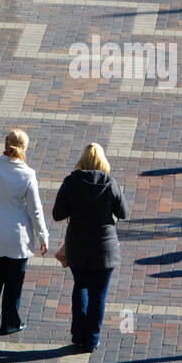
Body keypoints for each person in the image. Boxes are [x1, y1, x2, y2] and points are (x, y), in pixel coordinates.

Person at [52, 142, 129, 352]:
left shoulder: (70, 182)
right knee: (99, 294)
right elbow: (124, 213)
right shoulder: (110, 183)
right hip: (104, 249)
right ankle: (92, 339)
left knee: (80, 286)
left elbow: (57, 214)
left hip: (77, 246)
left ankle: (78, 334)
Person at [0, 128, 48, 335]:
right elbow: (35, 210)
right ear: (24, 148)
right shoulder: (27, 174)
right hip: (17, 238)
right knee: (14, 283)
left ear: (5, 144)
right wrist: (42, 236)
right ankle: (9, 323)